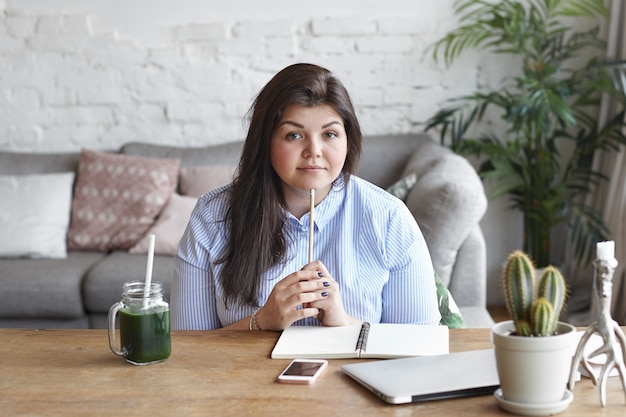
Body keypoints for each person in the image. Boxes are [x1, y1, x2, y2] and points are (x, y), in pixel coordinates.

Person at [171, 63, 440, 330]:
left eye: (330, 134)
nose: (314, 151)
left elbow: (422, 341)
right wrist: (259, 322)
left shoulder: (390, 218)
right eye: (294, 135)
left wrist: (343, 322)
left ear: (349, 140)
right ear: (265, 141)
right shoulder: (212, 215)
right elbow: (187, 346)